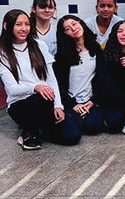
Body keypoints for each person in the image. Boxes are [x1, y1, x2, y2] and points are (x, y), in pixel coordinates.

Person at [0, 10, 80, 150]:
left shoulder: (39, 45)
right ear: (6, 26)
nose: (24, 29)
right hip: (20, 105)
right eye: (18, 24)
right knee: (43, 97)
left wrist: (58, 106)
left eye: (27, 24)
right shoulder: (3, 53)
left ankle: (35, 125)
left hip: (46, 101)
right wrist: (35, 87)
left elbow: (51, 78)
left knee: (72, 136)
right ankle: (28, 133)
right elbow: (11, 89)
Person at [54, 15, 103, 136]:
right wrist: (73, 104)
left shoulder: (95, 48)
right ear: (64, 34)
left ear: (81, 23)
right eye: (68, 28)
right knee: (77, 127)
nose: (73, 28)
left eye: (74, 24)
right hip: (71, 102)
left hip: (90, 101)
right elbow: (58, 85)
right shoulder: (61, 55)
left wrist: (93, 101)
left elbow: (101, 78)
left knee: (93, 128)